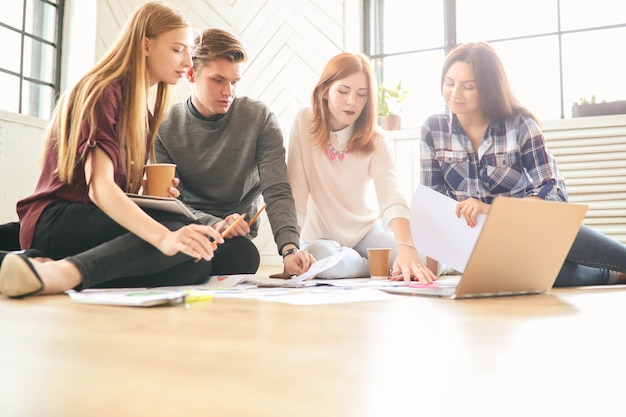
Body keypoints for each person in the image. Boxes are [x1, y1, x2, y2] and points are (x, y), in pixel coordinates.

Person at [0, 1, 260, 299]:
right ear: (146, 45)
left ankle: (36, 267)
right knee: (178, 236)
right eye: (178, 49)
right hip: (58, 221)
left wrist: (149, 194)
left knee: (217, 256)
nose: (188, 61)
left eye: (188, 51)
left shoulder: (142, 112)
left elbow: (117, 192)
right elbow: (100, 189)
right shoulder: (103, 90)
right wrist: (164, 236)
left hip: (89, 217)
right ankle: (60, 274)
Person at [420, 41, 626, 287]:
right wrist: (425, 273)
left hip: (531, 229)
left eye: (468, 87)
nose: (454, 93)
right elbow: (432, 207)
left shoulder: (520, 125)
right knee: (531, 276)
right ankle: (613, 275)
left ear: (489, 88)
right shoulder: (433, 129)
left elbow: (554, 193)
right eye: (449, 83)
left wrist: (492, 209)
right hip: (485, 251)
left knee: (561, 231)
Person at [155, 28, 313, 277]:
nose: (228, 92)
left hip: (234, 241)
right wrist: (212, 223)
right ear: (191, 74)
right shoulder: (164, 126)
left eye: (234, 82)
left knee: (242, 257)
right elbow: (171, 202)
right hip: (185, 227)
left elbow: (276, 189)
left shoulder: (259, 118)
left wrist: (290, 249)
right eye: (218, 80)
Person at [287, 52, 436, 283]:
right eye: (343, 91)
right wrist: (291, 249)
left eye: (361, 95)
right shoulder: (303, 121)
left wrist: (405, 246)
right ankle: (378, 267)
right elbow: (296, 194)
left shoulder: (375, 139)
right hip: (319, 239)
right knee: (320, 258)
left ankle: (370, 263)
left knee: (426, 258)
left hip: (365, 232)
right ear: (325, 91)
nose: (352, 102)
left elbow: (391, 197)